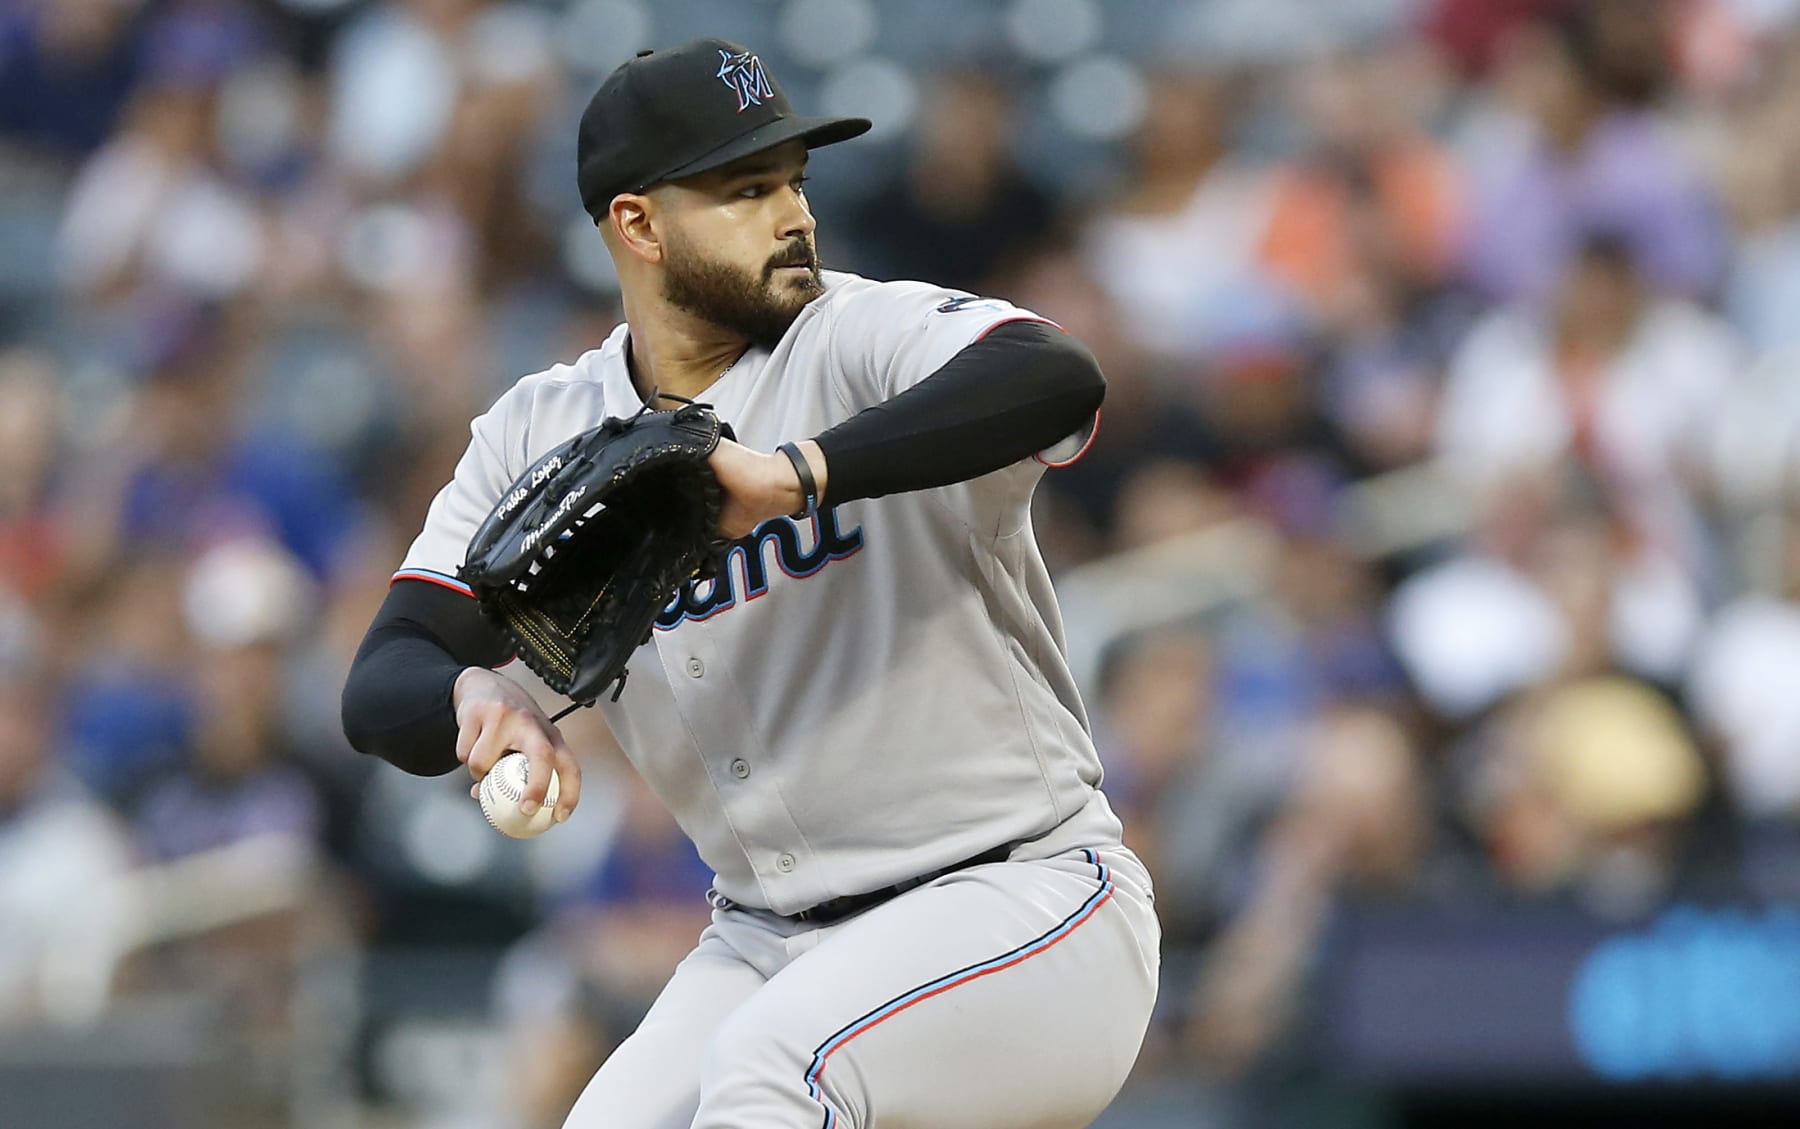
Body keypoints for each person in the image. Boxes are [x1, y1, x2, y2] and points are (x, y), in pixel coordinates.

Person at [341, 38, 1160, 1129]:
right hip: (767, 935)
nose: (793, 216)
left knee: (778, 1079)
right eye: (745, 190)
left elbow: (1056, 375)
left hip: (1020, 900)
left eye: (793, 181)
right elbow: (385, 676)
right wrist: (472, 697)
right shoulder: (540, 432)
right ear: (637, 224)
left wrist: (797, 473)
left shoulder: (856, 338)